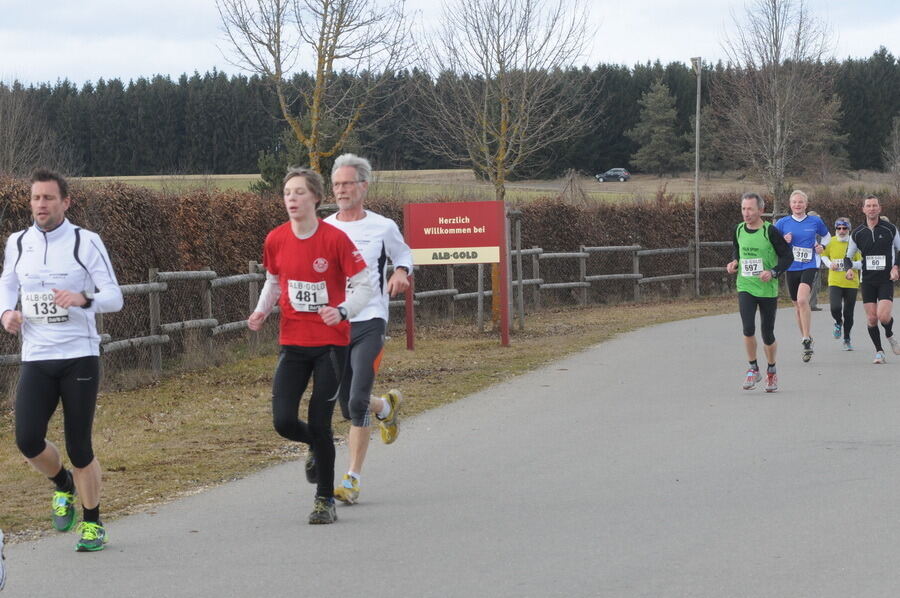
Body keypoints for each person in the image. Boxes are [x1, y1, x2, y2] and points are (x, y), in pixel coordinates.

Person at [0, 169, 124, 552]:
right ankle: (63, 485)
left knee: (80, 447)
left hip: (78, 357)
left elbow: (114, 297)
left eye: (49, 198)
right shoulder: (18, 243)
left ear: (65, 202)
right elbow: (7, 284)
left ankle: (92, 523)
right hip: (37, 357)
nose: (41, 204)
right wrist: (7, 314)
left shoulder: (85, 242)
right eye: (36, 198)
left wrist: (83, 299)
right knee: (27, 440)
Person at [248, 167, 374, 524]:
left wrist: (343, 310)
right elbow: (274, 281)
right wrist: (260, 312)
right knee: (284, 421)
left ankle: (324, 500)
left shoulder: (335, 240)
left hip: (331, 345)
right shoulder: (275, 239)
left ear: (316, 198)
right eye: (287, 192)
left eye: (299, 192)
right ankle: (316, 447)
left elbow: (364, 285)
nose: (291, 199)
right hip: (293, 342)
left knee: (320, 421)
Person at [323, 153, 413, 505]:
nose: (341, 190)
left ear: (363, 185)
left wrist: (401, 272)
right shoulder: (326, 228)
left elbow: (404, 255)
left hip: (370, 321)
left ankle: (351, 479)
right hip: (335, 326)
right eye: (336, 185)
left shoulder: (383, 226)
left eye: (347, 184)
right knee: (347, 405)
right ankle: (386, 408)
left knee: (356, 400)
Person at [726, 192, 793, 392]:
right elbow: (738, 250)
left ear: (761, 210)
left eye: (750, 209)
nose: (746, 213)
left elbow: (787, 257)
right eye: (743, 209)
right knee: (747, 328)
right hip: (745, 286)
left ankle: (771, 371)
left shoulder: (770, 231)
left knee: (767, 333)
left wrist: (773, 272)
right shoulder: (737, 229)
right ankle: (753, 368)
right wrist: (735, 263)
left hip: (767, 289)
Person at [773, 190, 830, 362]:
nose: (797, 205)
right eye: (794, 202)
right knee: (797, 306)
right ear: (790, 205)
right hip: (790, 267)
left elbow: (827, 237)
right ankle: (807, 337)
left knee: (803, 300)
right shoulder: (782, 223)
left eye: (801, 202)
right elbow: (772, 244)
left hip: (809, 265)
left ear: (806, 204)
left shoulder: (815, 221)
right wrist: (784, 240)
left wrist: (822, 247)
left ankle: (805, 339)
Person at [844, 195, 900, 364]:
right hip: (867, 280)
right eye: (868, 206)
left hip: (885, 279)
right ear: (863, 209)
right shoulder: (858, 233)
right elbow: (847, 257)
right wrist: (848, 270)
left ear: (879, 208)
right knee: (871, 319)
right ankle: (879, 351)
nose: (872, 208)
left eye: (875, 205)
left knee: (883, 316)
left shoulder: (890, 229)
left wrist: (896, 267)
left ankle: (889, 335)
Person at [820, 217, 862, 351]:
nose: (842, 231)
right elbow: (823, 255)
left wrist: (850, 267)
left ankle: (847, 339)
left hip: (851, 282)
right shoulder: (831, 242)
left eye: (845, 228)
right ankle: (838, 322)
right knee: (835, 308)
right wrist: (828, 263)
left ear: (849, 229)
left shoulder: (854, 243)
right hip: (835, 281)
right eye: (839, 228)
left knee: (849, 314)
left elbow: (861, 262)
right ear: (836, 229)